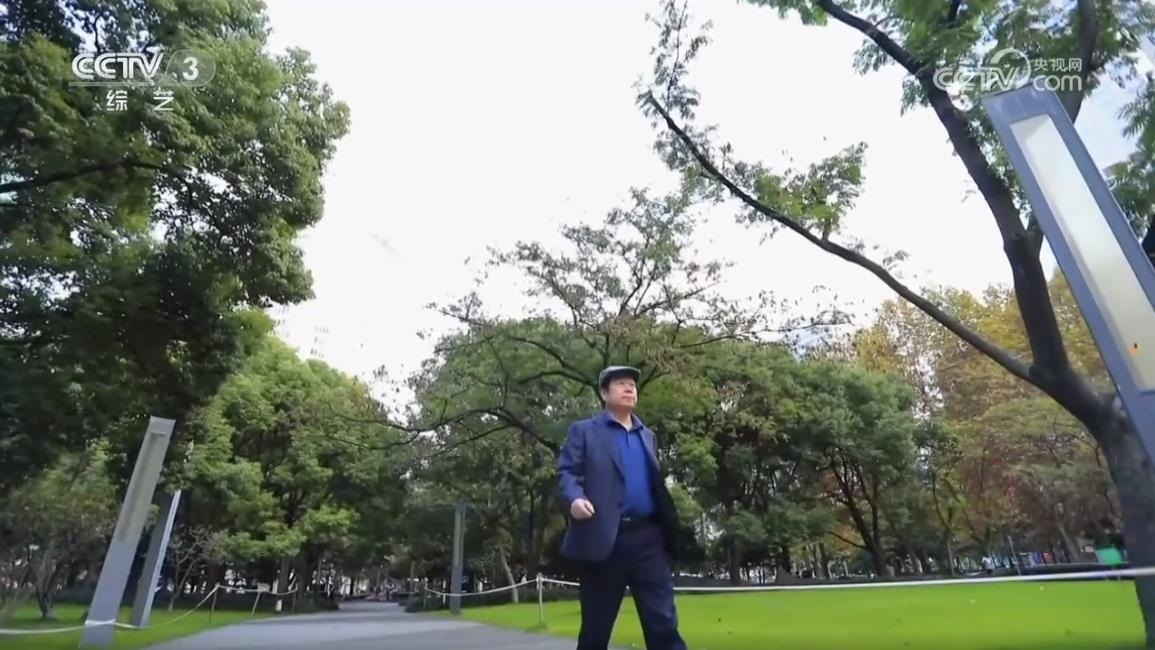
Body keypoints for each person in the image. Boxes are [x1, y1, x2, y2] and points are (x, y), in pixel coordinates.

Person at [556, 365, 687, 650]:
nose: (629, 388)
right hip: (604, 540)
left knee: (663, 622)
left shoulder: (647, 436)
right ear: (604, 393)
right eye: (621, 384)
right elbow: (566, 473)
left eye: (632, 385)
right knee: (596, 629)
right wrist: (575, 499)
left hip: (649, 539)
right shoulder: (584, 432)